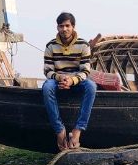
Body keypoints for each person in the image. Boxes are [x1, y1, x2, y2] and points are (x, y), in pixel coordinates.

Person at [42, 12, 97, 151]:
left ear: (73, 26)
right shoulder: (50, 46)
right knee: (47, 87)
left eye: (67, 25)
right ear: (57, 28)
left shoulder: (83, 45)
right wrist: (60, 78)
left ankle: (78, 130)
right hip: (58, 79)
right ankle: (59, 130)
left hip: (76, 80)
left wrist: (72, 81)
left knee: (91, 86)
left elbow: (85, 71)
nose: (64, 29)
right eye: (61, 26)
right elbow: (48, 71)